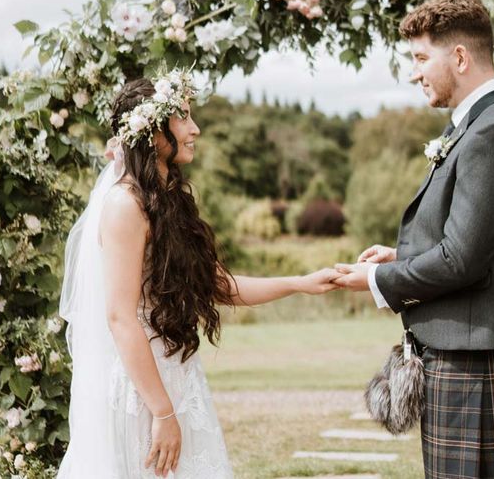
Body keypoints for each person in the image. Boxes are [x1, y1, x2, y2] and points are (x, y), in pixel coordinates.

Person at [58, 70, 339, 478]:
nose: (196, 129)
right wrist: (162, 411)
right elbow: (119, 317)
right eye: (184, 118)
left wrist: (300, 283)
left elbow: (217, 286)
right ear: (154, 131)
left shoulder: (167, 199)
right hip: (142, 389)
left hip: (175, 376)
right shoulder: (124, 205)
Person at [334, 0, 494, 478]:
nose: (415, 73)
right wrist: (402, 254)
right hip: (468, 359)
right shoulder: (479, 126)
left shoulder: (493, 132)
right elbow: (477, 240)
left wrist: (378, 280)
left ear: (459, 56)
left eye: (421, 58)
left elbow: (462, 259)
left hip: (480, 367)